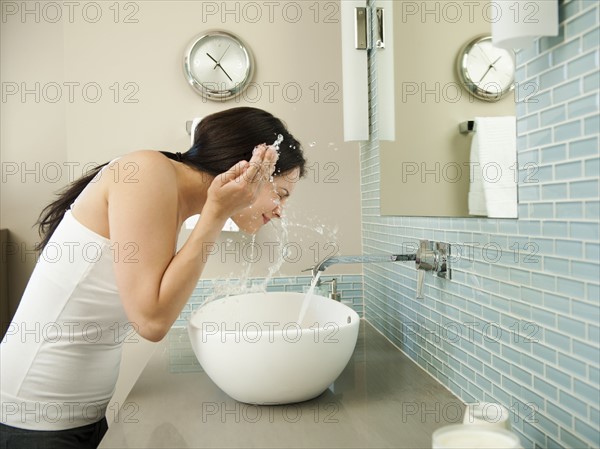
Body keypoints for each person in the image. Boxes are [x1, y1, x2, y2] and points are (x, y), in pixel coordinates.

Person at [0, 107, 307, 448]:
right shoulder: (147, 172)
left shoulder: (166, 192)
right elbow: (152, 321)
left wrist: (214, 213)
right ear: (248, 171)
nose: (280, 211)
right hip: (34, 418)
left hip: (77, 417)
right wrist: (216, 212)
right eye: (279, 193)